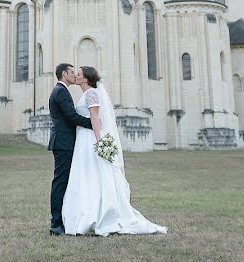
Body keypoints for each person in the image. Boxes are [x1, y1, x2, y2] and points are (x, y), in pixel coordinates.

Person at [62, 66, 167, 236]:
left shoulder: (91, 94)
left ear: (86, 79)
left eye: (79, 74)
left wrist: (99, 141)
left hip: (90, 139)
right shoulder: (86, 94)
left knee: (94, 174)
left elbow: (95, 118)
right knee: (86, 175)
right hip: (83, 139)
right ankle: (86, 212)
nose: (76, 76)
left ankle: (100, 214)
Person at [48, 63, 93, 236]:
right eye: (72, 72)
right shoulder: (60, 91)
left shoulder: (61, 91)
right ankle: (56, 223)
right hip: (63, 142)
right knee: (60, 182)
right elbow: (71, 116)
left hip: (65, 142)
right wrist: (92, 124)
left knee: (64, 181)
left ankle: (64, 218)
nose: (75, 75)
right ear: (64, 74)